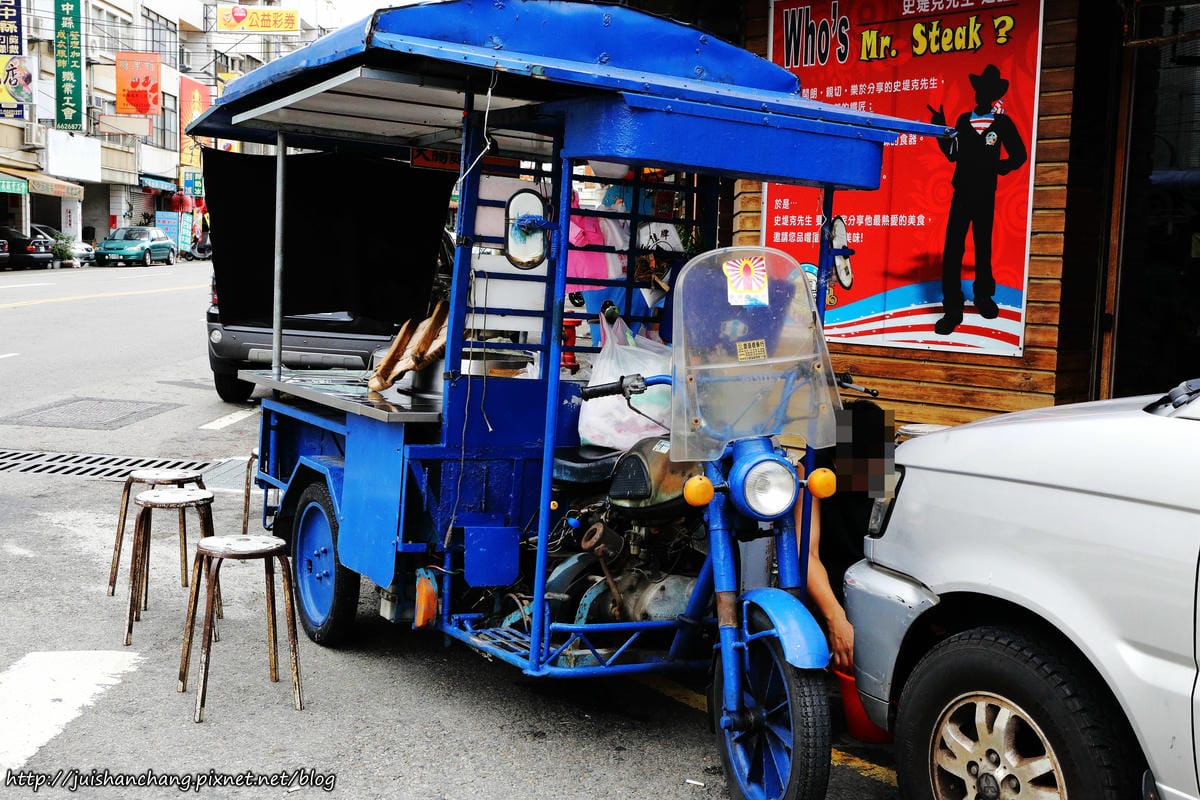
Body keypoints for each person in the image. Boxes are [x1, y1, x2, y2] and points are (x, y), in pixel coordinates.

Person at [793, 399, 893, 671]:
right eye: (861, 467)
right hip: (831, 585)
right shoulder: (814, 470)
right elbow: (807, 553)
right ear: (837, 462)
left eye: (879, 464)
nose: (873, 474)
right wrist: (835, 619)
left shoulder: (891, 468)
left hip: (876, 582)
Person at [928, 64, 1027, 336]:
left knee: (983, 246)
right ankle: (952, 308)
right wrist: (940, 127)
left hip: (985, 193)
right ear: (976, 92)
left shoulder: (1002, 123)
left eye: (987, 91)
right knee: (953, 248)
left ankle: (983, 296)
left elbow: (1019, 155)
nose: (982, 95)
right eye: (979, 90)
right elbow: (952, 154)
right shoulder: (962, 121)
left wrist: (998, 168)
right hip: (961, 192)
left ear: (992, 96)